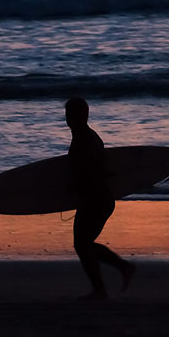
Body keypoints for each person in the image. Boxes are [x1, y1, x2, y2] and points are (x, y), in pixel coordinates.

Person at [65, 97, 135, 299]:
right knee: (83, 244)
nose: (68, 118)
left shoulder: (84, 139)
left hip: (96, 199)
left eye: (70, 114)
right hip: (98, 198)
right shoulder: (85, 136)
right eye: (68, 114)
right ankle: (117, 273)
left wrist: (74, 187)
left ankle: (104, 286)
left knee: (82, 244)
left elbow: (89, 172)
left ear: (78, 116)